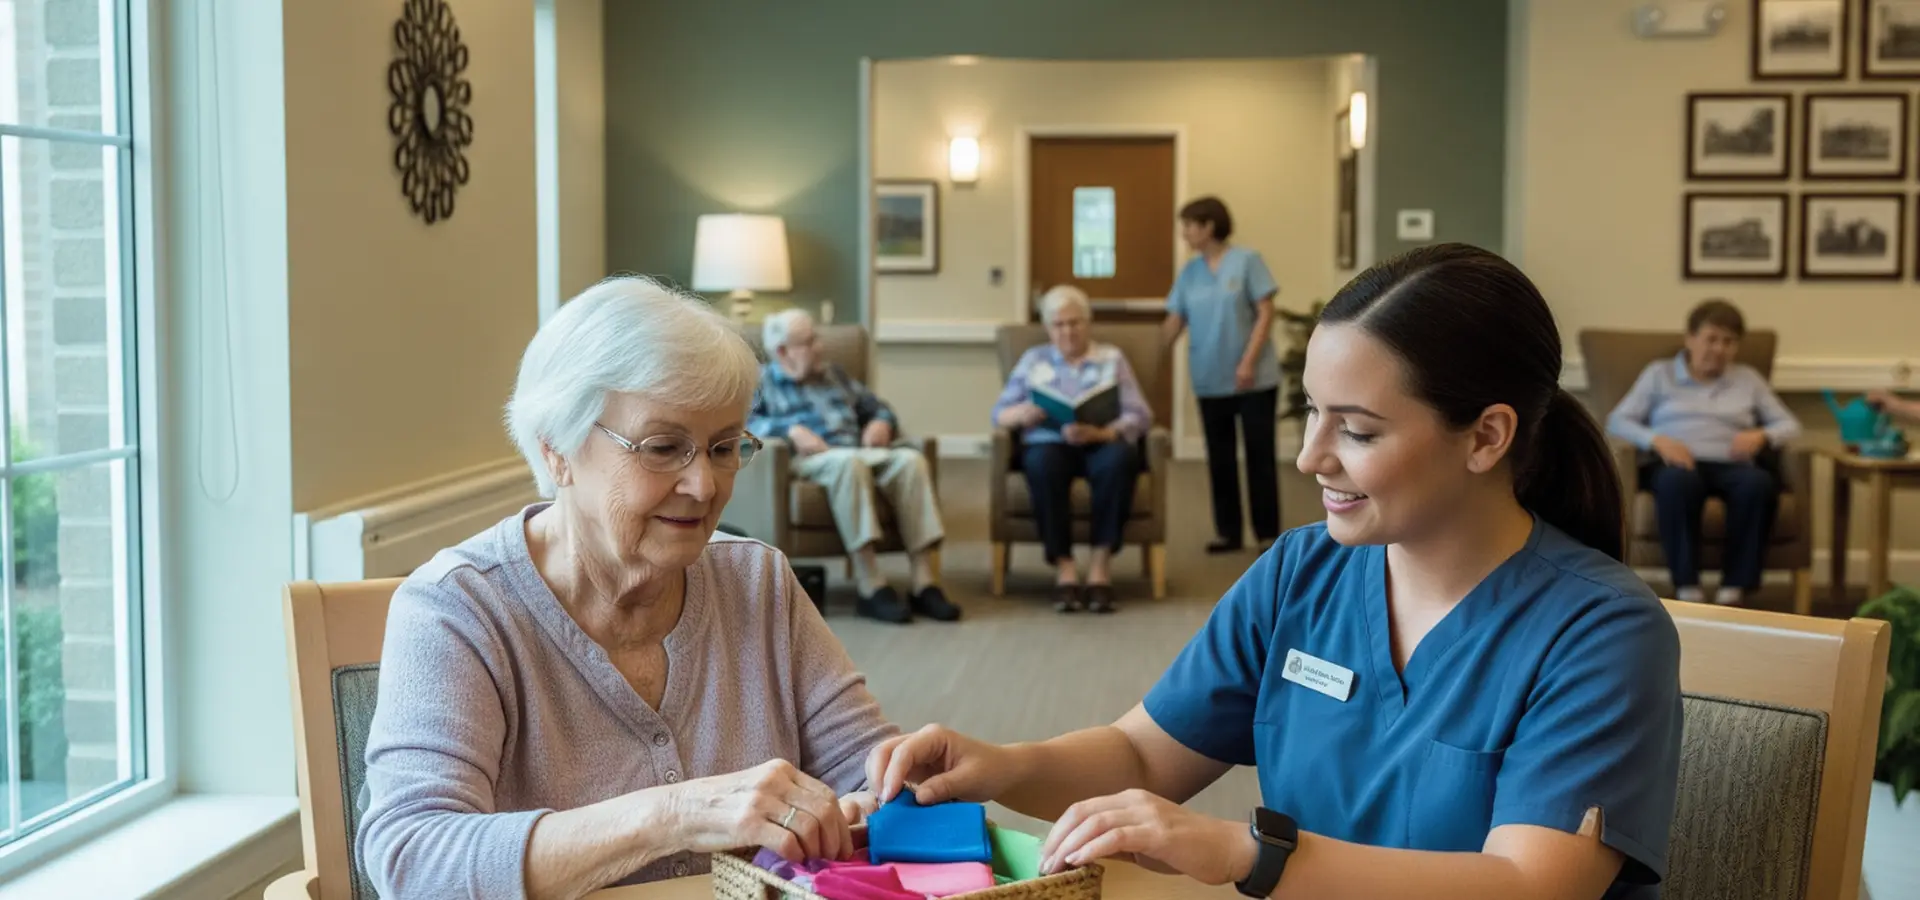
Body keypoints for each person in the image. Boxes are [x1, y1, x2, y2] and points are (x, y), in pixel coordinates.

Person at [867, 244, 1683, 900]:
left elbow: (1530, 885)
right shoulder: (1302, 570)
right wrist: (1002, 766)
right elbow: (1144, 756)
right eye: (1311, 413)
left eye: (1357, 430)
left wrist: (1249, 853)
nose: (1308, 457)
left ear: (1486, 437)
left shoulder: (1602, 631)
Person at [358, 278, 899, 899]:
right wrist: (677, 814)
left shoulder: (759, 582)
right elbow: (413, 860)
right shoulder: (457, 610)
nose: (704, 485)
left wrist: (879, 801)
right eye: (664, 447)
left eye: (724, 447)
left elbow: (872, 774)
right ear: (557, 450)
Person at [750, 309, 960, 625]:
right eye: (809, 342)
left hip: (857, 452)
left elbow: (879, 407)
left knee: (910, 461)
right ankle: (870, 584)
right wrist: (788, 430)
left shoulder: (834, 374)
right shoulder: (762, 382)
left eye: (817, 338)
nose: (820, 347)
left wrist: (880, 422)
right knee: (848, 465)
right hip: (809, 461)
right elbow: (744, 423)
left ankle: (923, 582)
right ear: (783, 351)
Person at [1605, 299, 1800, 606]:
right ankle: (1687, 586)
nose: (1719, 349)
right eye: (1711, 339)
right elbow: (1617, 421)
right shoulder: (1659, 374)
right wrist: (1657, 440)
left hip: (1733, 463)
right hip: (1677, 463)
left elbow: (1790, 425)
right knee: (1676, 483)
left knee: (1758, 484)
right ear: (1690, 339)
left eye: (1728, 342)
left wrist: (1762, 434)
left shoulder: (1747, 379)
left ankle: (1734, 588)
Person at [990, 286, 1154, 614]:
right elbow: (1000, 413)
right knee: (1041, 464)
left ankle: (1099, 569)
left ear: (1088, 323)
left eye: (1075, 323)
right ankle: (1064, 568)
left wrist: (1103, 432)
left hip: (1099, 441)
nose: (1068, 331)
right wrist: (1022, 414)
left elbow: (1140, 414)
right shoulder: (1033, 360)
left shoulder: (1111, 358)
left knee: (1121, 459)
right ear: (1048, 327)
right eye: (1059, 324)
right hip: (1049, 443)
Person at [1161, 196, 1283, 554]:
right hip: (1209, 377)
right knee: (1220, 458)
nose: (1184, 233)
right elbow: (1174, 320)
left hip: (1253, 378)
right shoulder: (1190, 272)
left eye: (1188, 225)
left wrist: (1248, 361)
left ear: (1208, 226)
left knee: (1259, 456)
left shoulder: (1247, 261)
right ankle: (1228, 533)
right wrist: (1148, 358)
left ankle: (1267, 534)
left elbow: (1265, 312)